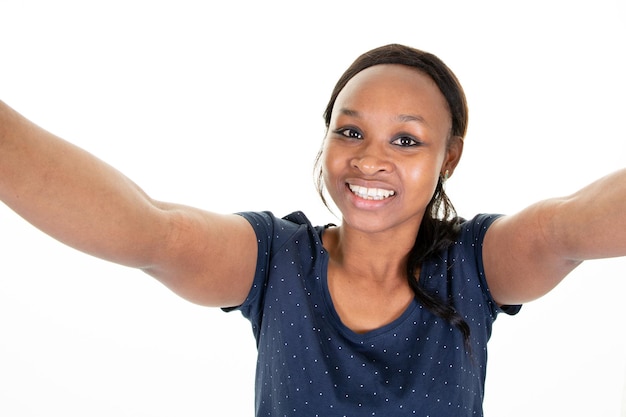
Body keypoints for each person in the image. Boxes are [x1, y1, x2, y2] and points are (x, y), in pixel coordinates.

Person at [0, 43, 624, 416]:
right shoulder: (275, 260)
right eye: (349, 131)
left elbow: (565, 227)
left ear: (448, 159)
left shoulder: (475, 264)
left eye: (405, 140)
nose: (369, 158)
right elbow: (150, 232)